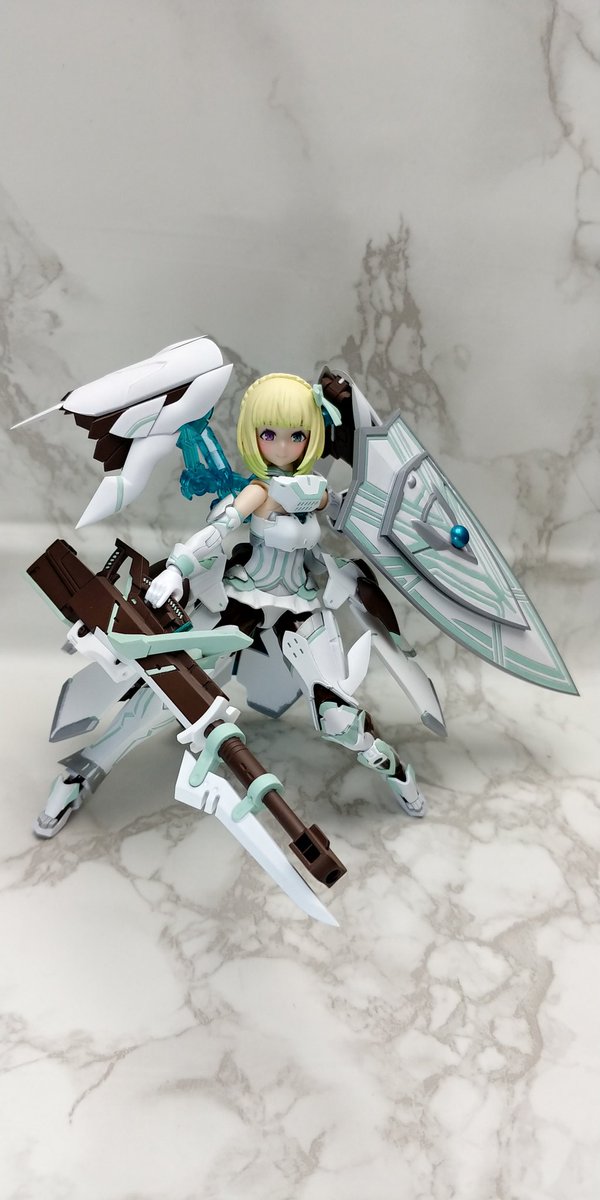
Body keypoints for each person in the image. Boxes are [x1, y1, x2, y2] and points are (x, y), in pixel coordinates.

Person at [34, 372, 425, 839]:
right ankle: (82, 772)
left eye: (297, 435)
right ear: (253, 436)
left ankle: (396, 770)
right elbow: (218, 529)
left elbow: (363, 514)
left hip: (302, 608)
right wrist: (176, 568)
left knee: (339, 717)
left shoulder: (317, 490)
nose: (283, 446)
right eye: (269, 434)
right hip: (242, 601)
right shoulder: (259, 492)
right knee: (167, 692)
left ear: (312, 436)